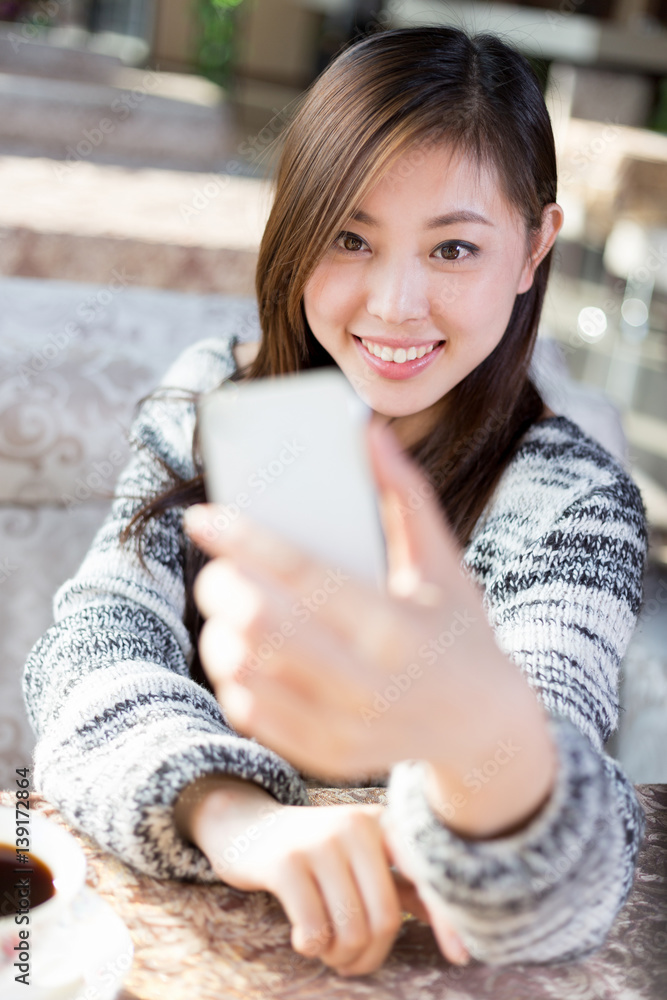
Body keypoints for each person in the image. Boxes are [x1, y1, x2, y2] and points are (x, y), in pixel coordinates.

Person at [23, 25, 647, 978]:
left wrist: (476, 728)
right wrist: (237, 820)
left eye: (452, 248)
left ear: (534, 249)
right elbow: (89, 650)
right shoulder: (212, 401)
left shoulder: (571, 499)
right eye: (350, 237)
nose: (394, 304)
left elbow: (574, 874)